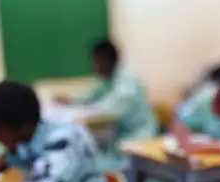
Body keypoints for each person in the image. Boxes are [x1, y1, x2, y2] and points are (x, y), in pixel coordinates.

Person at [57, 39, 158, 171]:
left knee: (95, 161)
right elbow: (92, 93)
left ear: (106, 61)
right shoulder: (107, 76)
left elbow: (110, 110)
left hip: (138, 136)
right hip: (119, 135)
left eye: (96, 61)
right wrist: (71, 100)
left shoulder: (128, 83)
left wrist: (83, 113)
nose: (93, 66)